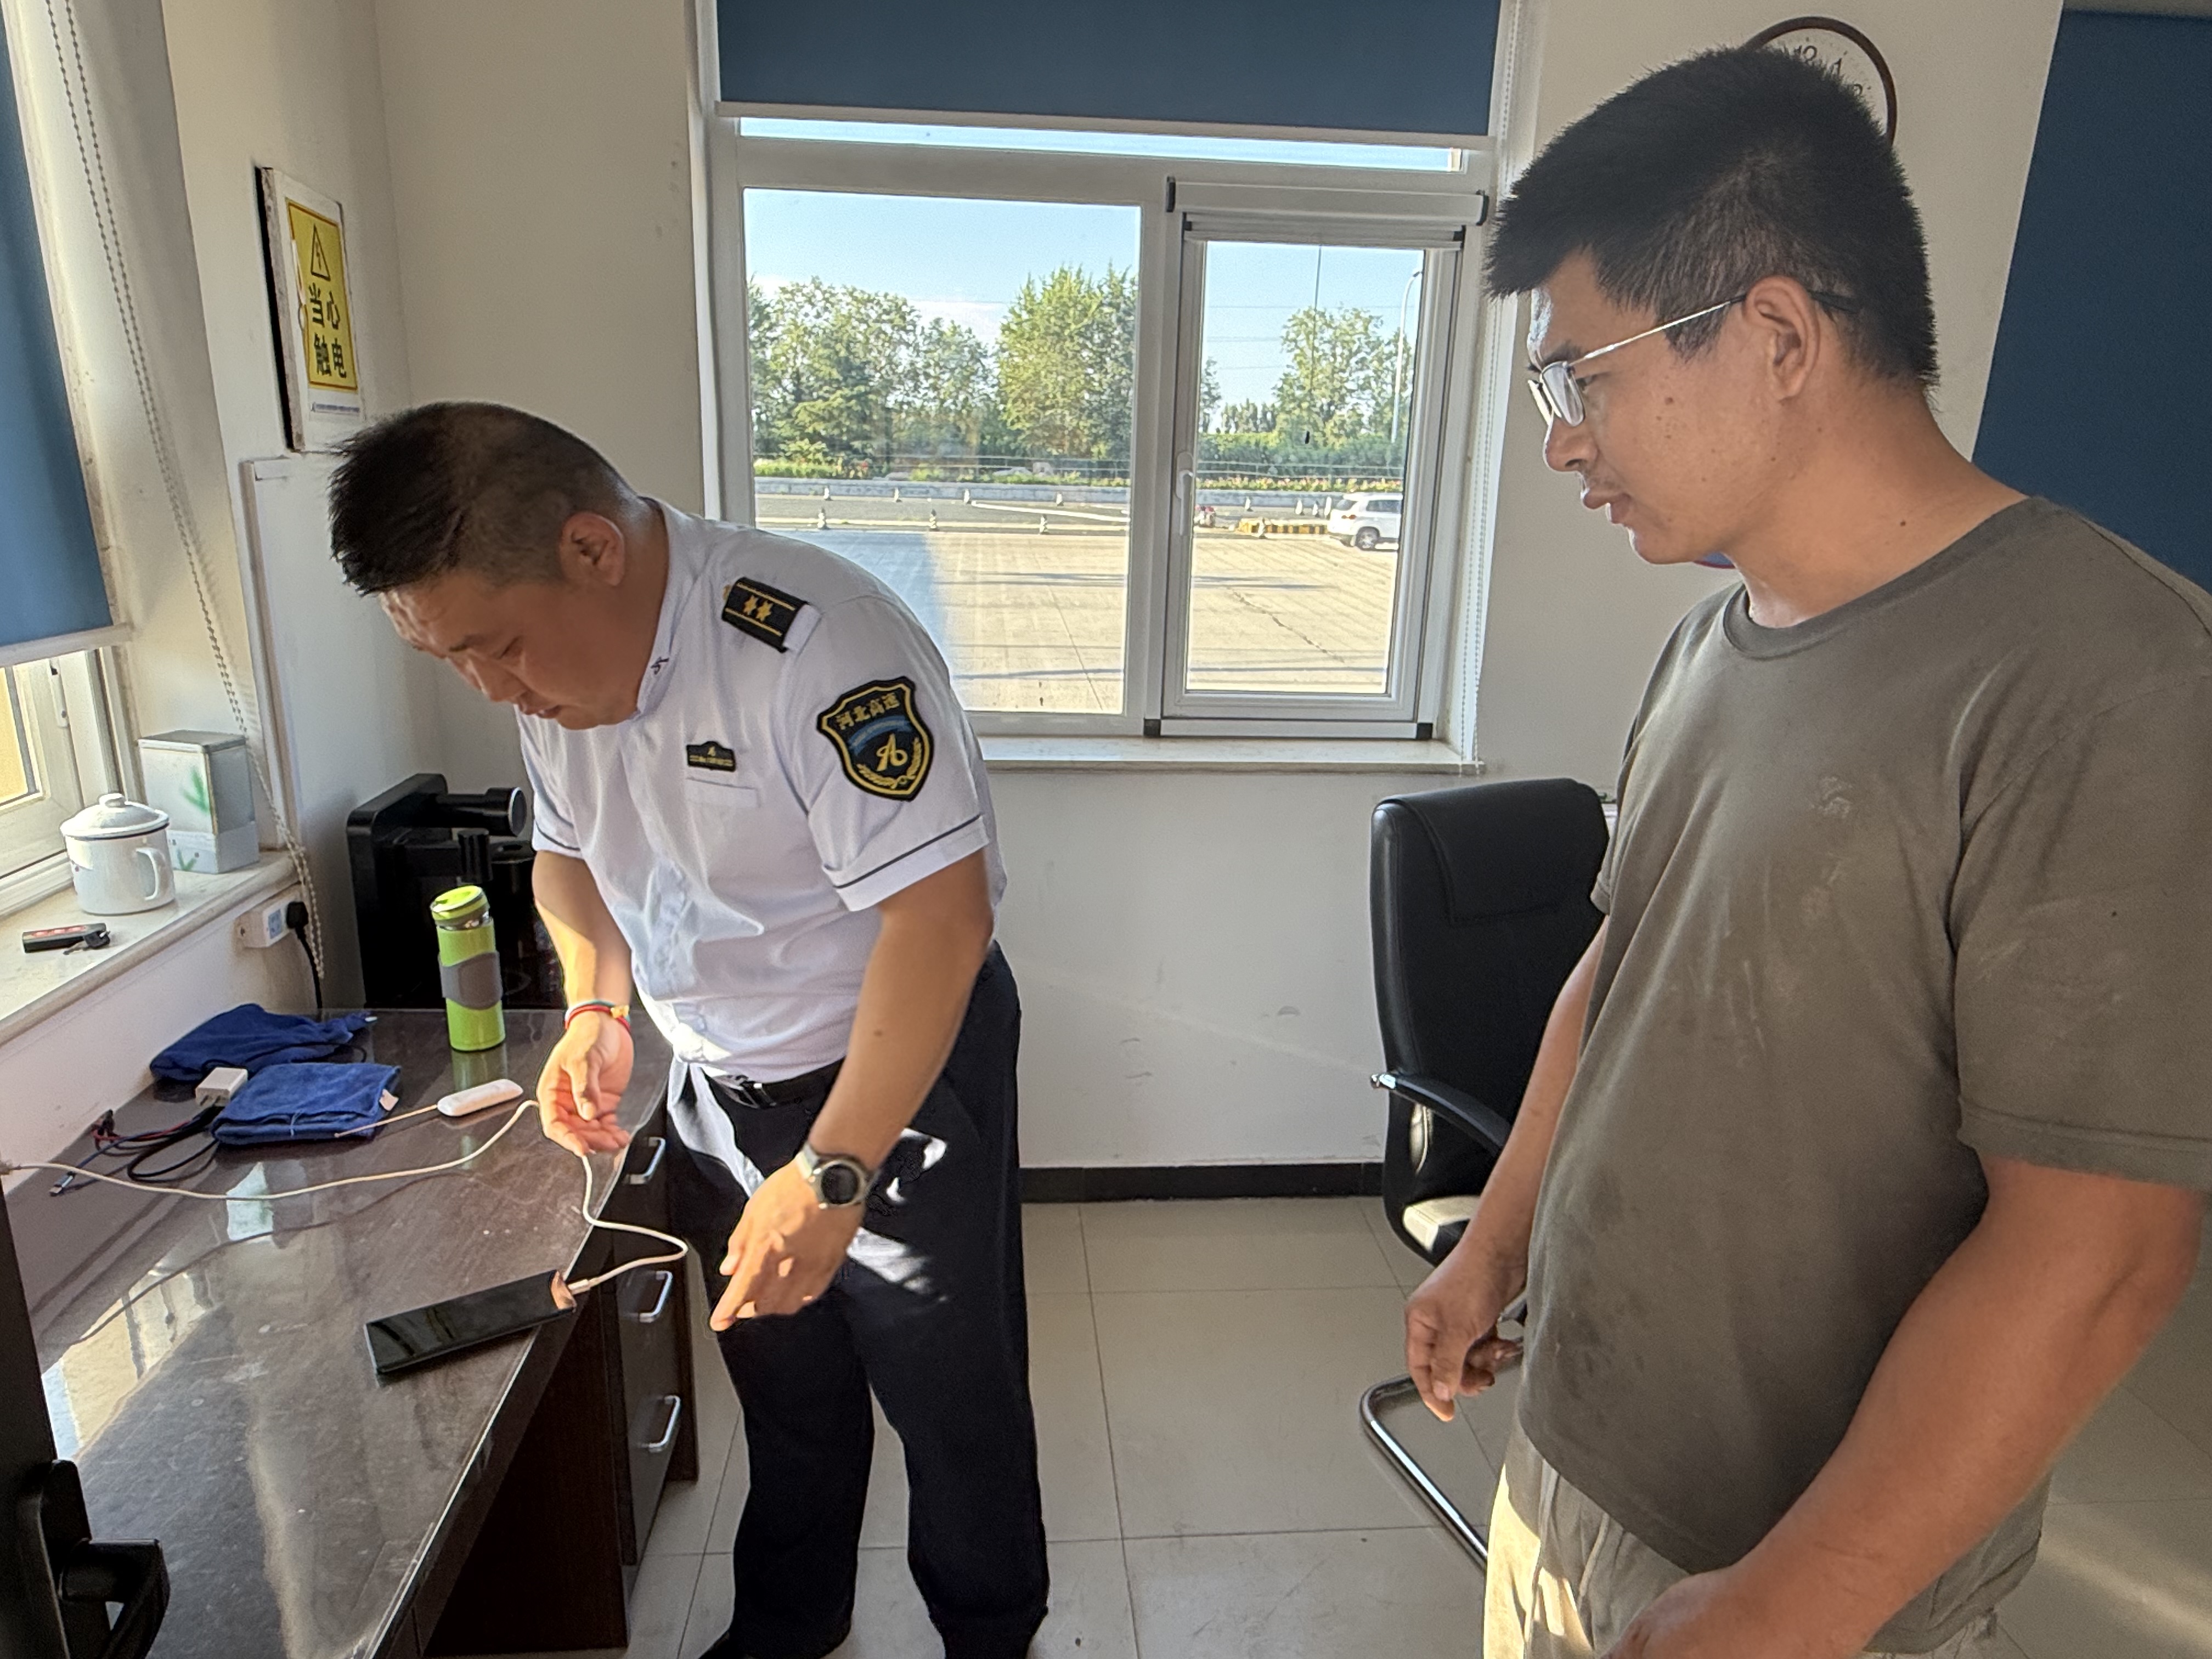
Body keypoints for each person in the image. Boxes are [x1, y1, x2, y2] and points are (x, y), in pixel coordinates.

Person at [1403, 46, 2212, 1659]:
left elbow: (2098, 1251)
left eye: (1583, 377)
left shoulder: (2107, 677)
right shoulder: (1709, 645)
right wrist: (1496, 1238)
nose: (1563, 441)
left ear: (1775, 335)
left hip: (1799, 1562)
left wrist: (1789, 1607)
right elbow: (1620, 969)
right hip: (1572, 1450)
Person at [330, 403, 1047, 1659]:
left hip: (895, 1076)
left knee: (950, 1398)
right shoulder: (550, 671)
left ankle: (989, 1634)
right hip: (719, 1085)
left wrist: (834, 1173)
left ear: (592, 549)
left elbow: (942, 921)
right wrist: (597, 1003)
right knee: (782, 1380)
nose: (492, 688)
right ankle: (789, 1624)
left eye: (498, 648)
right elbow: (569, 861)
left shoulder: (819, 644)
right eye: (456, 662)